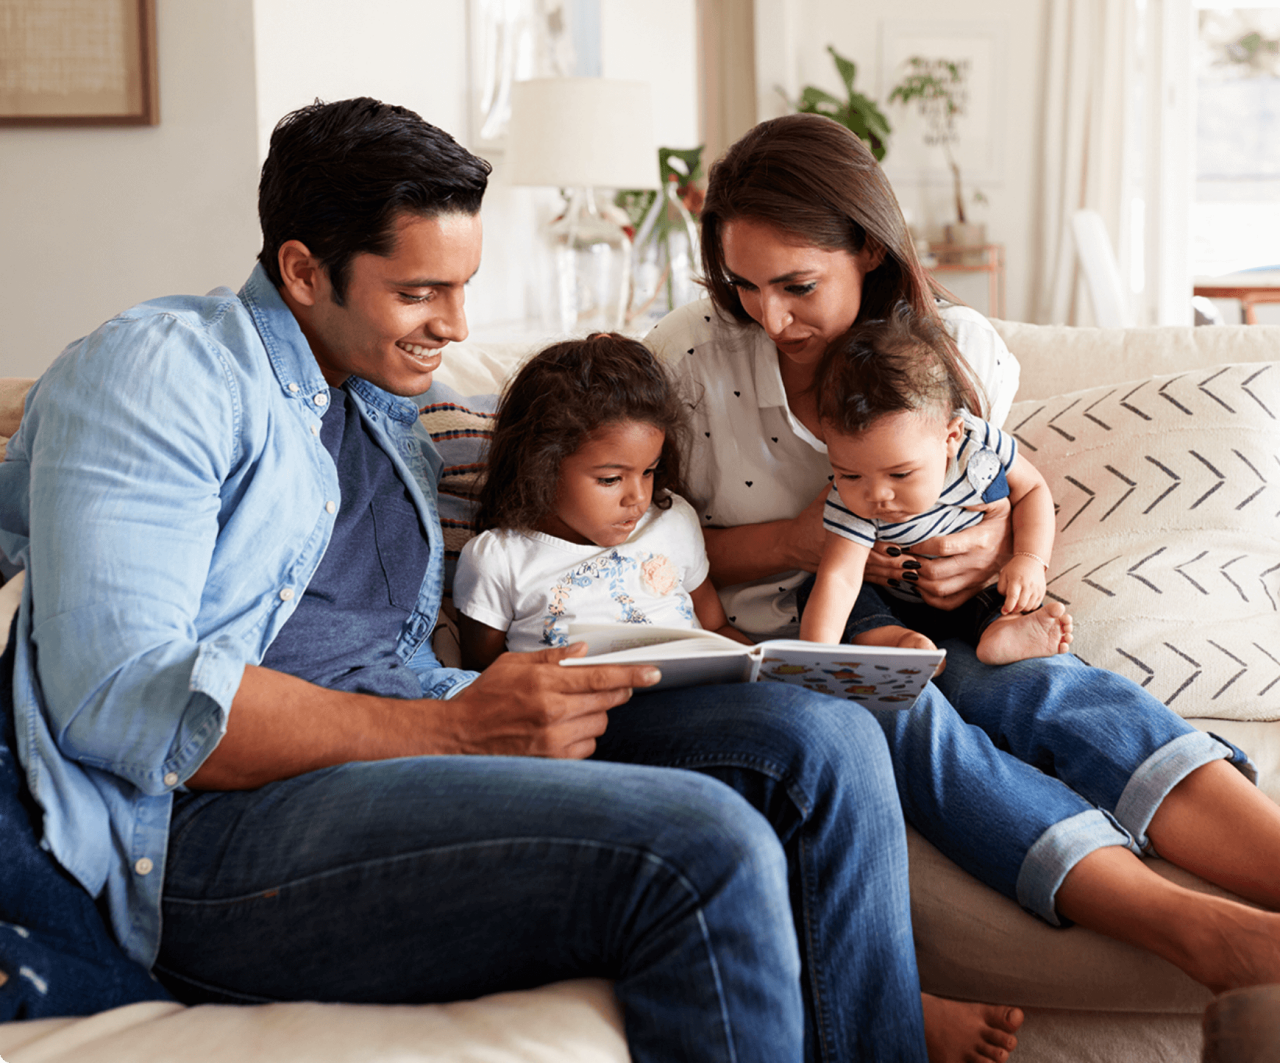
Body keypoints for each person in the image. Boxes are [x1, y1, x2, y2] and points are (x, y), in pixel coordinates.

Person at [0, 98, 1024, 1063]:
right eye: (419, 291)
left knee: (822, 736)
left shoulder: (394, 408)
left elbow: (562, 475)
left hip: (420, 735)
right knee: (700, 846)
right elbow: (121, 694)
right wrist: (452, 728)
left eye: (463, 288)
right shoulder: (160, 373)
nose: (453, 324)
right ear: (306, 271)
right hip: (217, 829)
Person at [647, 111, 1280, 996]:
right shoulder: (687, 361)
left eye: (795, 285)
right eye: (744, 286)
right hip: (799, 637)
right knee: (899, 715)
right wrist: (810, 539)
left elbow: (987, 491)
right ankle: (1195, 929)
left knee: (1049, 689)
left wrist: (984, 554)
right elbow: (640, 548)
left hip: (935, 607)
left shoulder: (958, 348)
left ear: (867, 249)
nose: (769, 316)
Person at [799, 304, 1073, 666]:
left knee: (1007, 593)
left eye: (900, 474)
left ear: (951, 437)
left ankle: (1002, 633)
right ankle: (891, 638)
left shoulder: (975, 451)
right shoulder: (849, 501)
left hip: (974, 591)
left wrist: (1030, 559)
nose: (877, 495)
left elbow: (1032, 490)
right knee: (819, 591)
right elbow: (840, 579)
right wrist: (814, 664)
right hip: (895, 604)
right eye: (850, 475)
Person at [455, 335, 740, 669]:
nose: (638, 498)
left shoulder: (672, 519)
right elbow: (484, 678)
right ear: (541, 467)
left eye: (649, 471)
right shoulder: (498, 560)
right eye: (610, 479)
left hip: (699, 695)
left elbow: (716, 627)